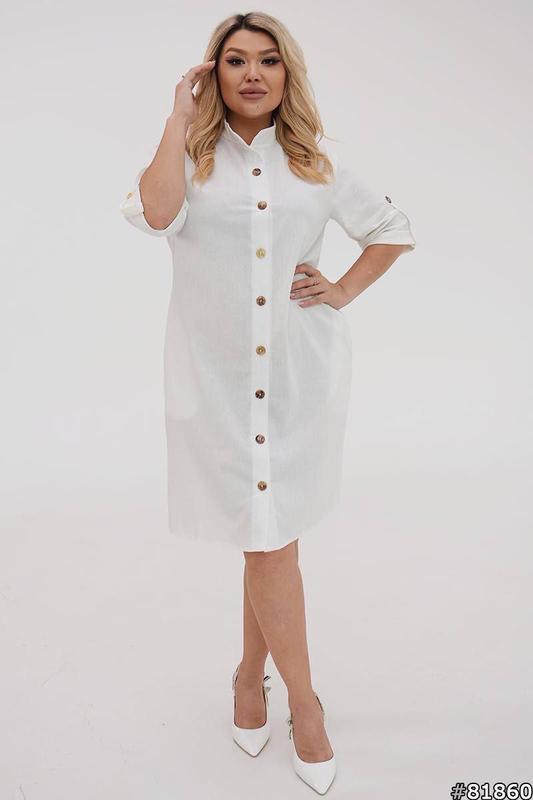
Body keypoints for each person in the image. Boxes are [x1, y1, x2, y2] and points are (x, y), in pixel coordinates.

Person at [119, 11, 416, 795]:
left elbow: (391, 227)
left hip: (294, 380)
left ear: (288, 74)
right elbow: (156, 215)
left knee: (268, 538)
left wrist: (341, 288)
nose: (252, 73)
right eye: (235, 60)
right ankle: (296, 699)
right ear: (211, 74)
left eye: (268, 61)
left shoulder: (316, 165)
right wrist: (177, 117)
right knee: (268, 539)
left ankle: (264, 686)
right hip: (215, 386)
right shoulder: (188, 160)